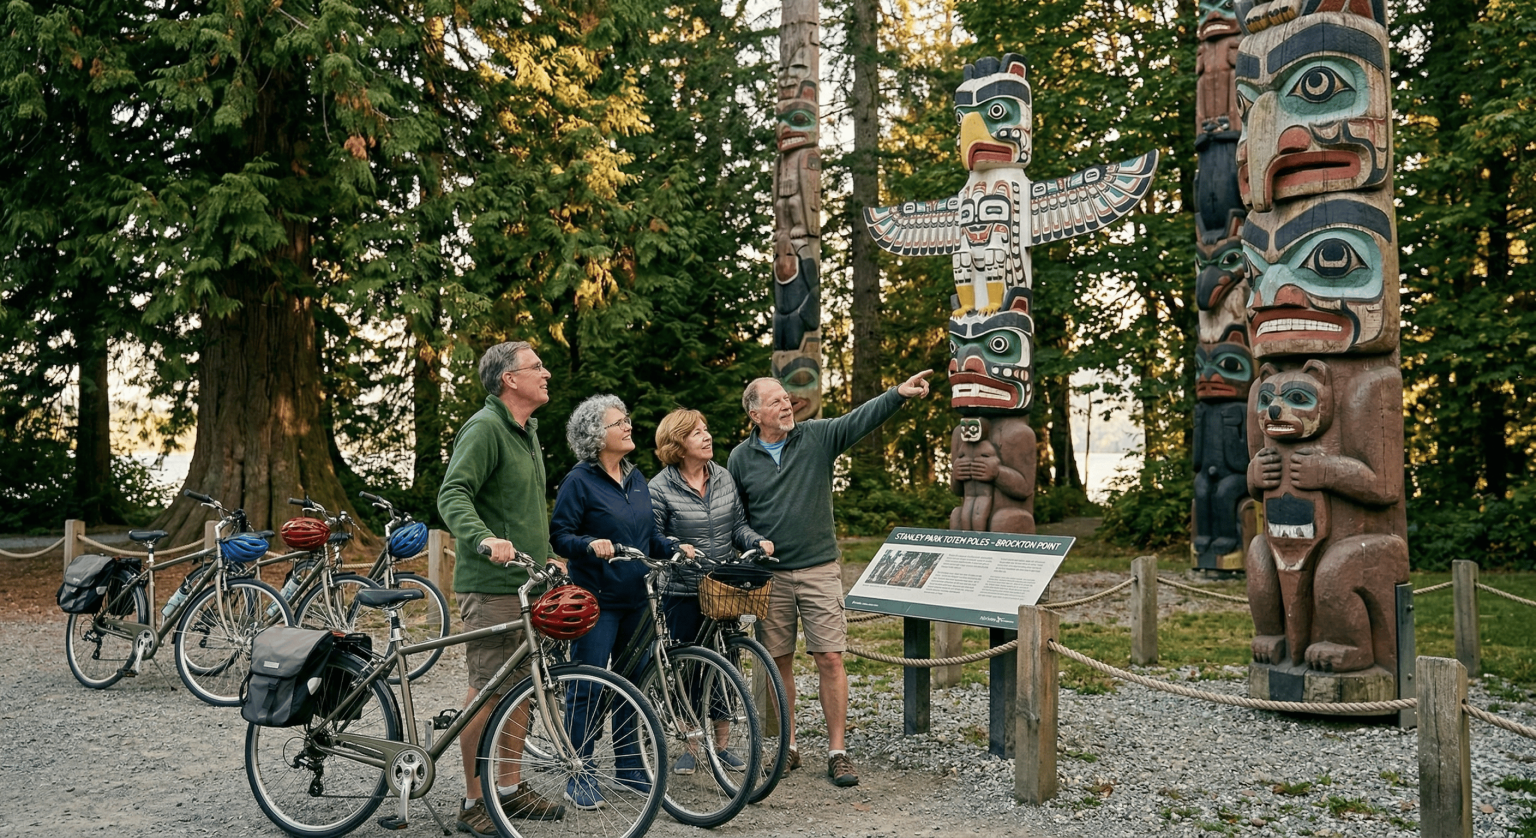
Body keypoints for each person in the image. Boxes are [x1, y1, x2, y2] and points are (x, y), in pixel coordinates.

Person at [727, 370, 933, 788]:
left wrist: (897, 394)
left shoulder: (818, 436)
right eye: (776, 401)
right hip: (772, 576)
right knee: (776, 662)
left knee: (830, 658)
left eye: (787, 398)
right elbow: (735, 519)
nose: (787, 404)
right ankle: (788, 748)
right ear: (754, 414)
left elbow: (860, 419)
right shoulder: (739, 459)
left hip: (820, 568)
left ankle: (838, 752)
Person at [437, 340, 565, 834]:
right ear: (509, 379)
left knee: (520, 690)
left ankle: (507, 790)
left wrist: (545, 549)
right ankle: (474, 800)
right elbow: (453, 493)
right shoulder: (486, 427)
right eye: (536, 367)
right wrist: (484, 538)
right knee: (486, 692)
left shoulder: (526, 430)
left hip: (526, 584)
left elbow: (519, 504)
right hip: (490, 586)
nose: (546, 373)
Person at [550, 394, 688, 810]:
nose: (628, 426)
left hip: (639, 598)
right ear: (596, 436)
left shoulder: (637, 476)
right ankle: (579, 769)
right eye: (619, 423)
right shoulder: (579, 481)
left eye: (626, 420)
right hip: (597, 600)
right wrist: (590, 543)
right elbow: (560, 536)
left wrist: (672, 546)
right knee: (587, 686)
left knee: (634, 685)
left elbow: (645, 536)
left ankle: (629, 766)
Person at [648, 408, 775, 774]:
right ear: (677, 445)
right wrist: (676, 547)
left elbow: (738, 525)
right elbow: (654, 538)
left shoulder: (722, 477)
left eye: (706, 429)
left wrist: (758, 540)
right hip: (682, 590)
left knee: (725, 665)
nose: (707, 436)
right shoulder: (659, 487)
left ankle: (720, 747)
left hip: (722, 588)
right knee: (687, 670)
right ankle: (692, 744)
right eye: (696, 433)